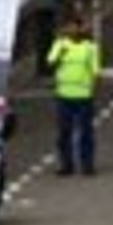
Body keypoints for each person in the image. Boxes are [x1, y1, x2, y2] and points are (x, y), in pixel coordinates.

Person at [46, 17, 103, 176]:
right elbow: (50, 61)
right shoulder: (61, 45)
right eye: (69, 28)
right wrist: (60, 50)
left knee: (86, 132)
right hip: (64, 94)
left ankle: (87, 165)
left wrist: (93, 84)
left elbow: (95, 69)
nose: (73, 31)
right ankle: (66, 164)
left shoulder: (90, 48)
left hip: (84, 95)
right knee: (64, 132)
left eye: (76, 28)